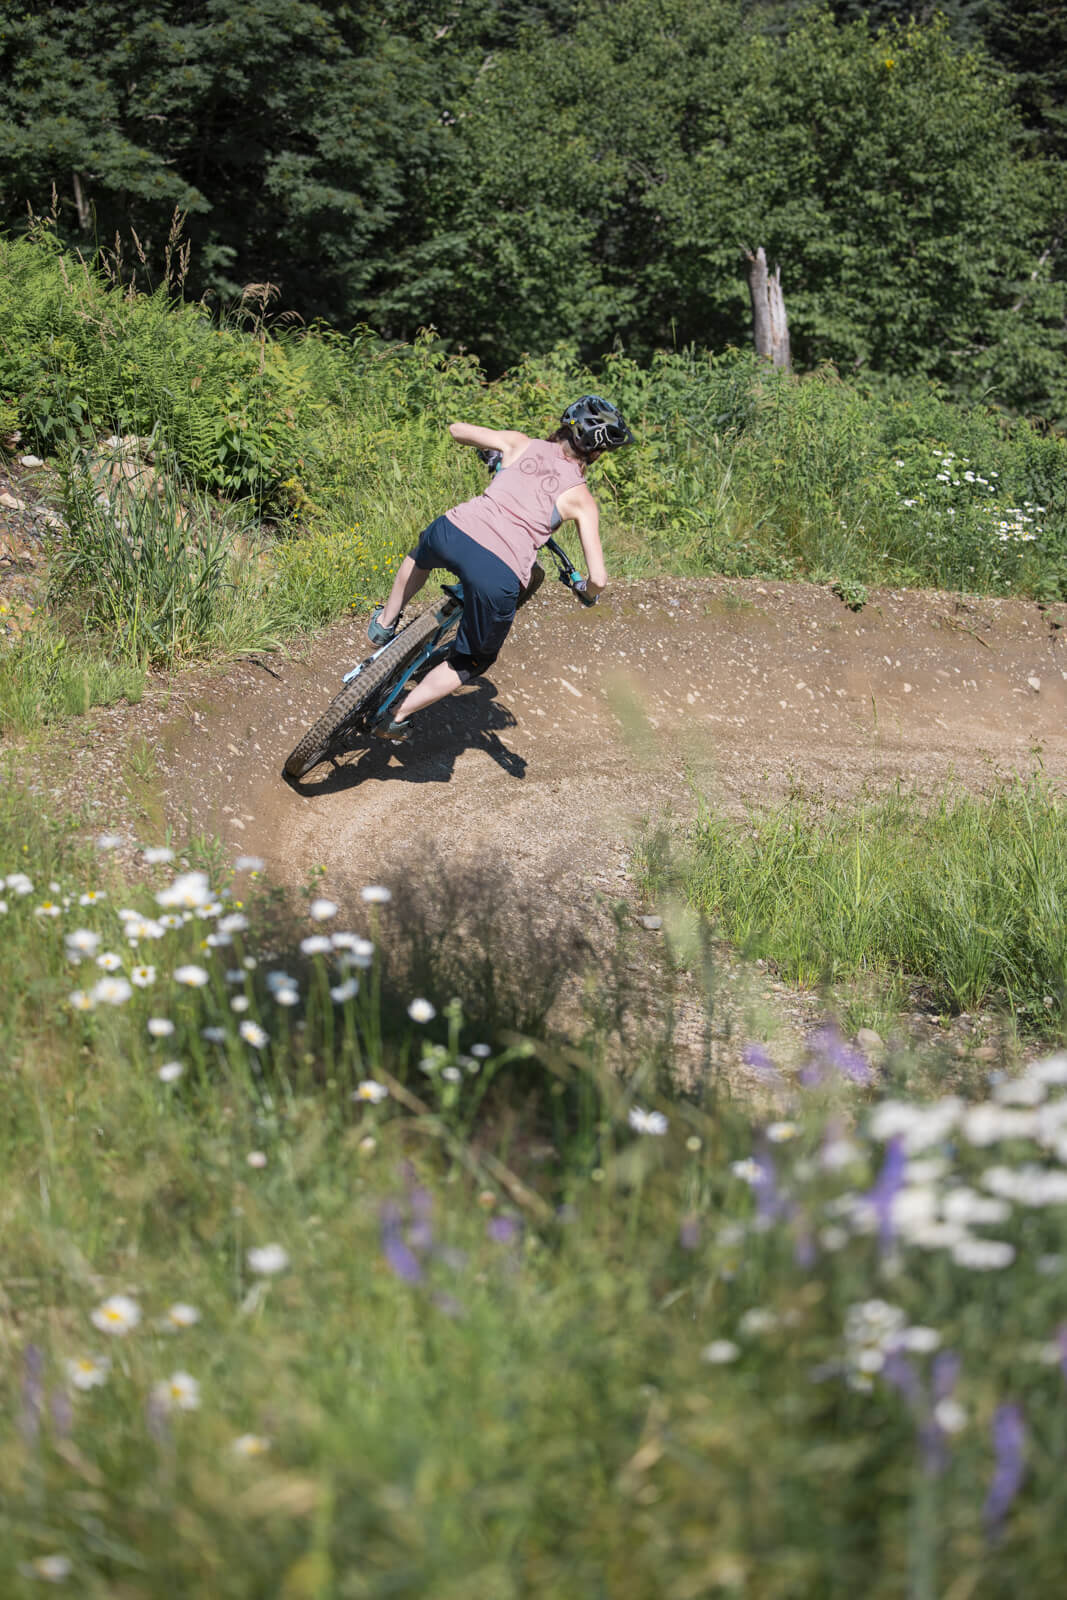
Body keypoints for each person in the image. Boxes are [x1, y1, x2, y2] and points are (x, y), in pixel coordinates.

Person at [367, 394, 634, 741]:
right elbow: (598, 578)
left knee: (420, 555)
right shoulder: (581, 500)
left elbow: (457, 429)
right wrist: (584, 591)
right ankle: (395, 716)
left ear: (564, 424)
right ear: (596, 454)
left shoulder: (519, 443)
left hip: (453, 531)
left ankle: (384, 624)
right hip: (499, 570)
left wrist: (497, 453)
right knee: (473, 661)